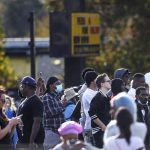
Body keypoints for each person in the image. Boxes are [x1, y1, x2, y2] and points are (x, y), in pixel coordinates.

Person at [16, 76, 45, 150]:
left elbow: (37, 123)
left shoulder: (37, 102)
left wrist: (31, 142)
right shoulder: (26, 100)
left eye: (22, 86)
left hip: (32, 143)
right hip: (23, 141)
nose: (21, 89)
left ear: (27, 87)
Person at [88, 73, 111, 148]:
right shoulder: (98, 97)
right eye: (108, 81)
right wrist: (103, 126)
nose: (110, 82)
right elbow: (92, 114)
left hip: (106, 131)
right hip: (100, 132)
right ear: (102, 84)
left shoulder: (107, 97)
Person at [42, 76, 65, 150]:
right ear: (51, 85)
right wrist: (63, 105)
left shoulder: (56, 97)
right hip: (51, 132)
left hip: (58, 133)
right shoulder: (46, 97)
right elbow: (51, 112)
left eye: (60, 83)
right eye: (57, 83)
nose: (59, 85)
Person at [82, 71, 98, 144]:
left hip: (96, 127)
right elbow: (98, 106)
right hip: (90, 128)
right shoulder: (87, 93)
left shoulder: (96, 92)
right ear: (92, 81)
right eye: (97, 79)